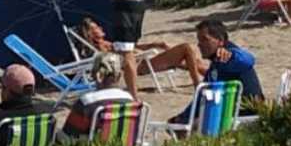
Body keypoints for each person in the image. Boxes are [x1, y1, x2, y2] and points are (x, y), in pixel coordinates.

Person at [167, 20, 264, 124]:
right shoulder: (215, 64)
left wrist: (232, 54)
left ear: (220, 40)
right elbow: (202, 95)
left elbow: (249, 60)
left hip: (246, 115)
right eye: (199, 40)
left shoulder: (229, 58)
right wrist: (183, 116)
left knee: (197, 124)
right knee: (181, 124)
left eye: (205, 39)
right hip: (230, 113)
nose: (199, 45)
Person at [76, 16, 205, 87]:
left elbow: (130, 48)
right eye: (96, 28)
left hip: (146, 59)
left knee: (193, 61)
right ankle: (197, 84)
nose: (100, 27)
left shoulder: (107, 43)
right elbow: (122, 57)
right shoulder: (102, 48)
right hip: (142, 64)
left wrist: (154, 44)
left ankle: (210, 76)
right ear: (91, 34)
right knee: (186, 48)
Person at [60, 53, 135, 139]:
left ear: (94, 75)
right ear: (119, 76)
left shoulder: (87, 102)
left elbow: (69, 134)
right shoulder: (129, 100)